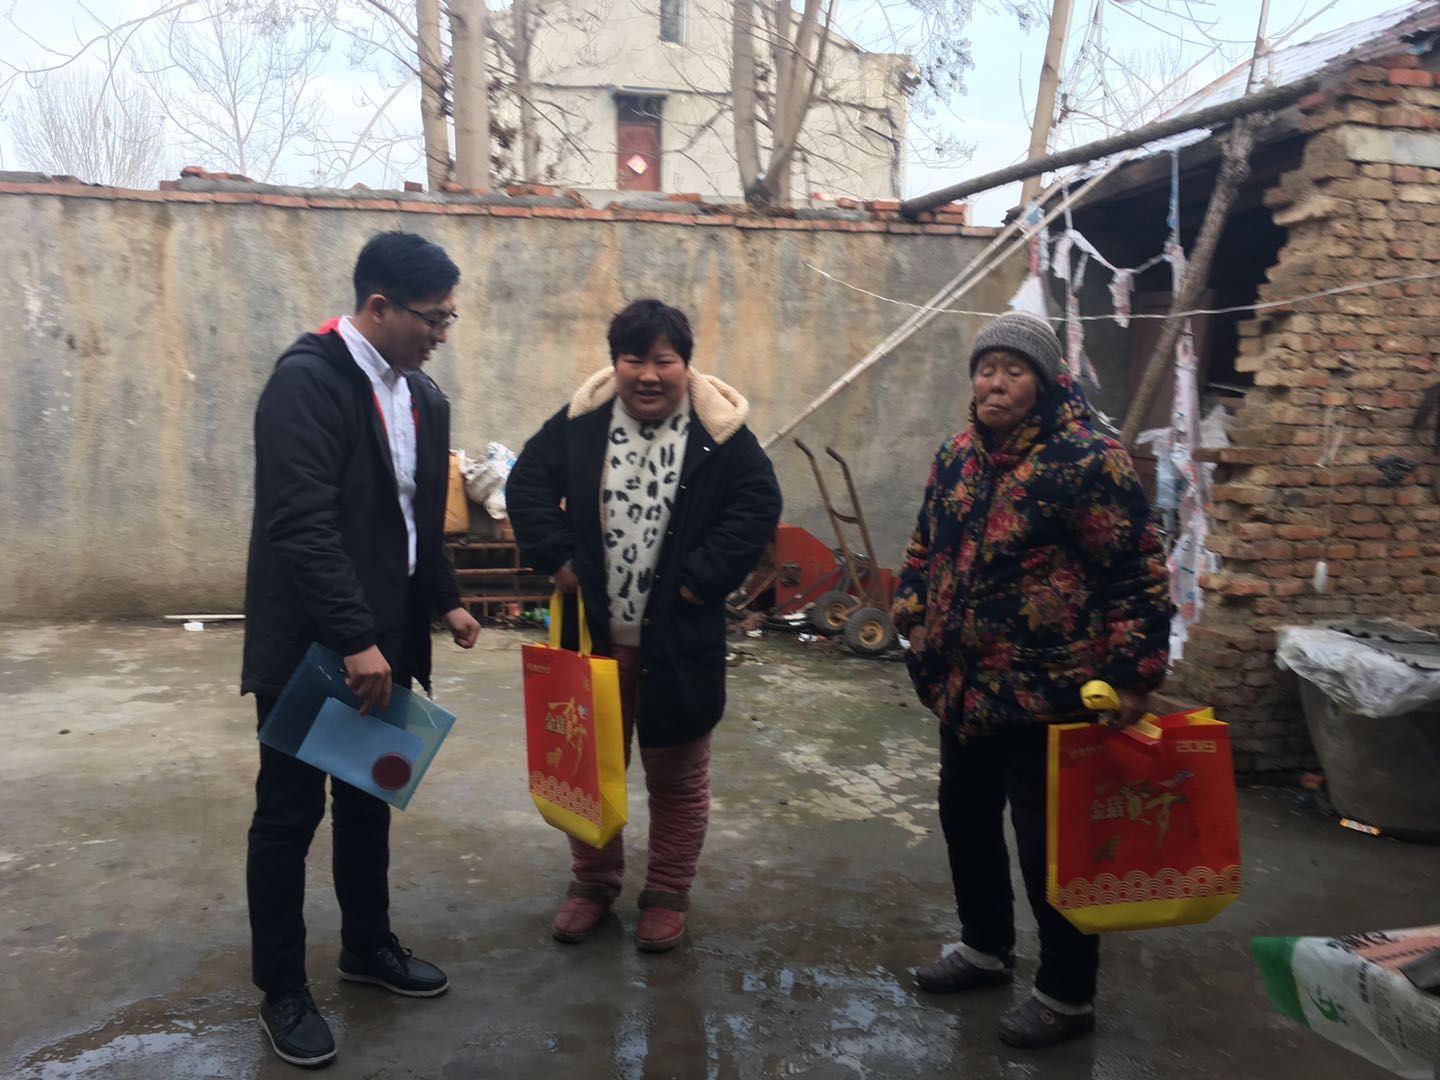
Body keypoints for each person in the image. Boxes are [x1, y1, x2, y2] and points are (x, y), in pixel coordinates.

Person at [894, 310, 1172, 1049]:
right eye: (986, 369)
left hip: (1051, 693)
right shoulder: (956, 456)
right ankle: (985, 949)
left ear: (1044, 382)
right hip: (962, 688)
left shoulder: (1089, 460)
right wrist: (913, 611)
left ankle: (1067, 995)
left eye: (1013, 371)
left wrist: (1134, 673)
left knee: (1053, 850)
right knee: (966, 823)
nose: (995, 383)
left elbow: (1137, 568)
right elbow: (924, 546)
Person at [241, 231, 481, 1067]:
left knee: (369, 798)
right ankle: (282, 988)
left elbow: (417, 515)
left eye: (449, 318)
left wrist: (446, 599)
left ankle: (366, 945)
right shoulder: (307, 382)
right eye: (432, 317)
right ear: (379, 306)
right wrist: (353, 637)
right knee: (288, 814)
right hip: (312, 644)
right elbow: (300, 525)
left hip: (386, 639)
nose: (441, 333)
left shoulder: (422, 397)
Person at [507, 298, 781, 952]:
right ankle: (593, 882)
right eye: (635, 359)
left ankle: (666, 893)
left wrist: (698, 579)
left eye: (665, 360)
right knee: (585, 769)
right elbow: (527, 484)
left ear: (686, 364)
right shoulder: (582, 423)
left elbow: (757, 503)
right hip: (593, 641)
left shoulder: (720, 434)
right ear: (616, 364)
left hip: (678, 644)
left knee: (677, 776)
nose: (649, 375)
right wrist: (560, 558)